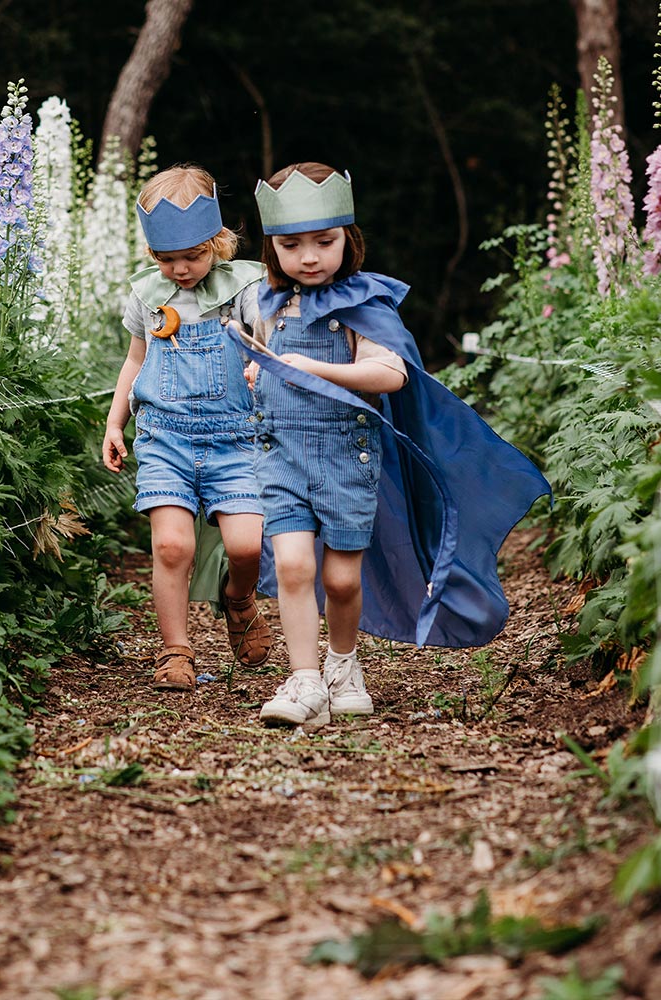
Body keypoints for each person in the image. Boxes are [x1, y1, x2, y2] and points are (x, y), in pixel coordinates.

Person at [232, 162, 551, 728]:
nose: (309, 256)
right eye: (291, 245)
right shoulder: (262, 303)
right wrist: (260, 374)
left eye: (324, 242)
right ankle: (304, 681)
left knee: (341, 578)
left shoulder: (362, 304)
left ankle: (343, 664)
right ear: (271, 248)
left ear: (347, 240)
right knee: (294, 567)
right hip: (280, 456)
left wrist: (316, 370)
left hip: (345, 460)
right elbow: (258, 363)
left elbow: (390, 374)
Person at [102, 164, 273, 691]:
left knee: (247, 545)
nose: (181, 269)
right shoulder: (147, 294)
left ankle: (238, 599)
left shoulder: (242, 287)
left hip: (235, 437)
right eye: (168, 259)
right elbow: (135, 363)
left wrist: (261, 363)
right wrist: (114, 423)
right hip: (166, 439)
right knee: (172, 547)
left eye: (192, 256)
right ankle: (175, 649)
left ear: (217, 241)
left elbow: (267, 342)